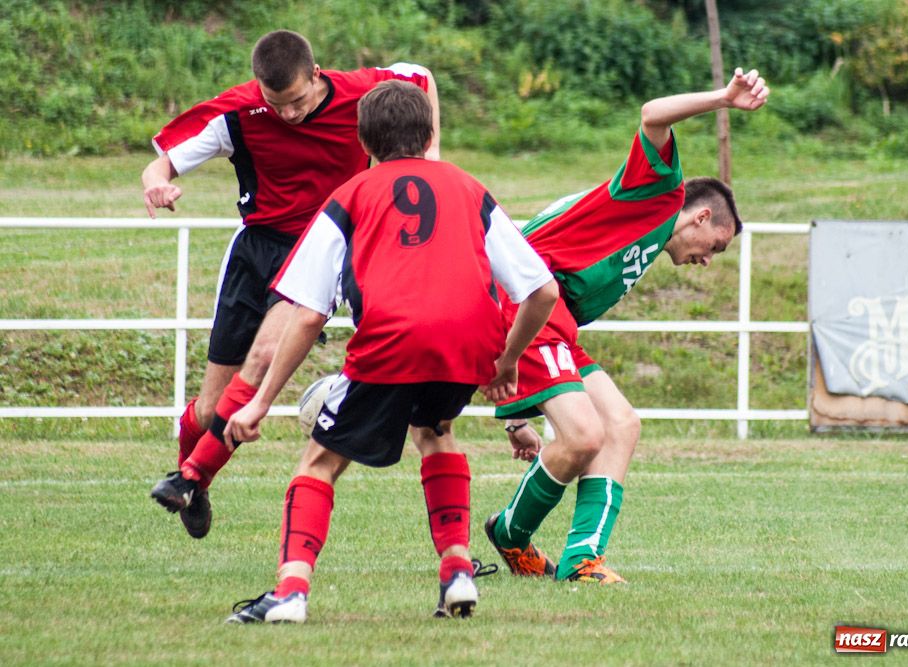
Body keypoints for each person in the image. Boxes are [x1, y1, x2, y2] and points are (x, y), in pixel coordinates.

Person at [221, 80, 559, 622]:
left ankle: (289, 593)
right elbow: (541, 291)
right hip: (465, 342)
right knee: (436, 433)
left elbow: (308, 313)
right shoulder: (470, 189)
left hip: (393, 339)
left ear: (364, 143)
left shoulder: (351, 196)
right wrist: (508, 357)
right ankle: (457, 573)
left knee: (320, 461)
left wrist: (260, 400)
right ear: (429, 134)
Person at [143, 30, 440, 539]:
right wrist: (156, 182)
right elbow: (163, 160)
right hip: (256, 251)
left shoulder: (359, 92)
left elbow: (421, 77)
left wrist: (429, 163)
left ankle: (192, 475)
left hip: (320, 250)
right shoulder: (238, 112)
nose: (289, 115)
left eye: (298, 101)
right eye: (276, 104)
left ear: (317, 74)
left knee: (262, 361)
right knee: (212, 408)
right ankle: (194, 474)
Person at [485, 67, 770, 584]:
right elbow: (652, 114)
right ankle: (510, 532)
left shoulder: (646, 242)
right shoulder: (658, 191)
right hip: (527, 304)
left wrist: (516, 417)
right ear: (701, 218)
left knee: (621, 425)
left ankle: (580, 559)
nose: (710, 260)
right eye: (716, 248)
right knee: (582, 436)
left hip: (552, 321)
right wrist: (725, 100)